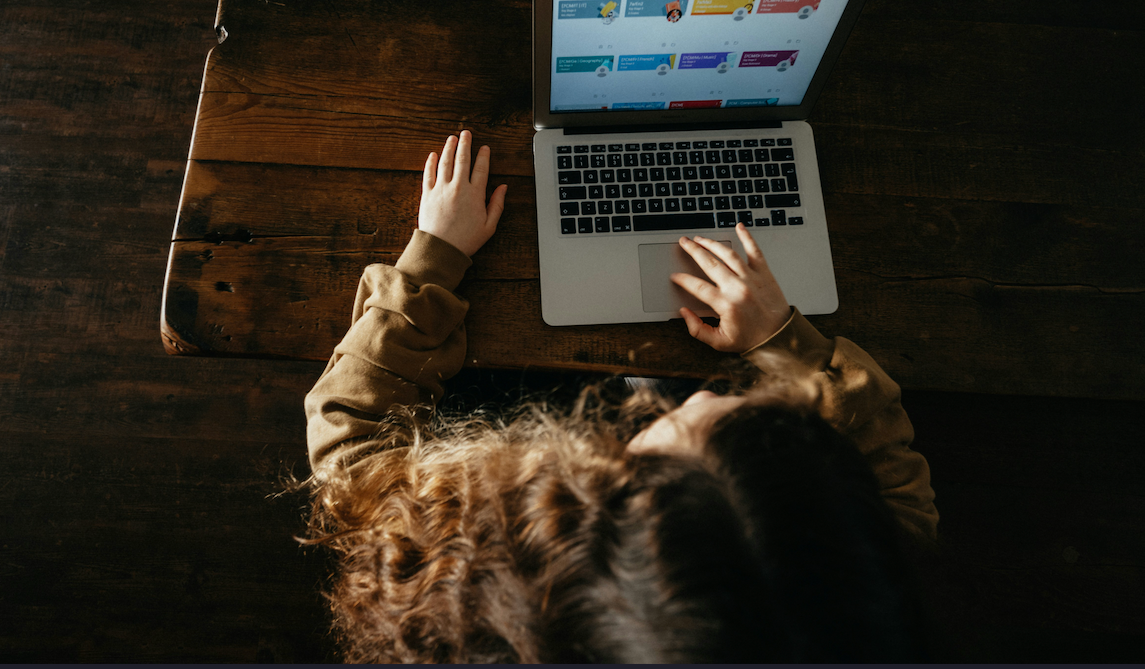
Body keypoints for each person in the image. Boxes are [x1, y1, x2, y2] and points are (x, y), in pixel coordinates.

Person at [303, 130, 938, 663]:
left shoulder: (473, 583)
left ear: (606, 509)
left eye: (682, 427)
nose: (699, 399)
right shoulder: (867, 580)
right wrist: (781, 339)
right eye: (770, 421)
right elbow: (902, 495)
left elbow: (348, 440)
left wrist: (432, 262)